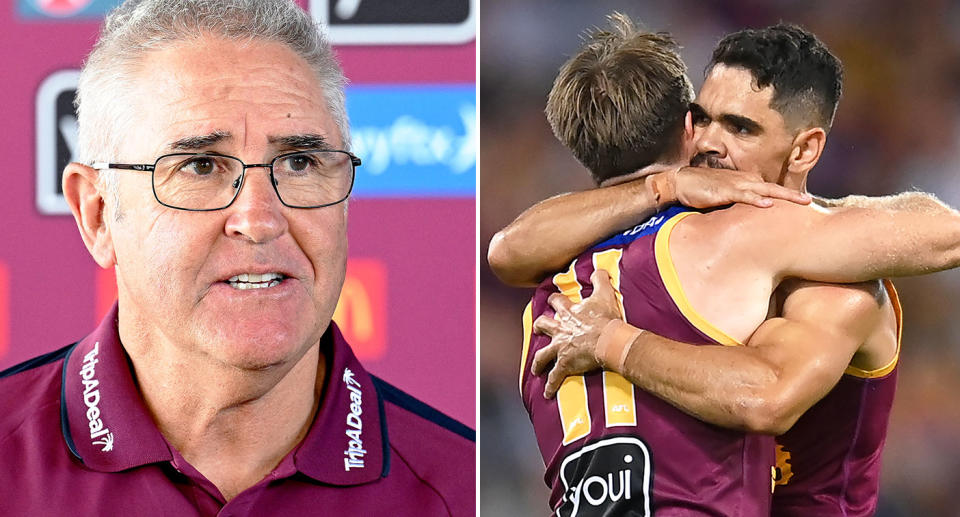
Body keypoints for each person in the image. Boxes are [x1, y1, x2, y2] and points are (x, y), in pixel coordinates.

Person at [0, 1, 474, 515]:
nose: (259, 219)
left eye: (299, 162)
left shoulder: (459, 487)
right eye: (201, 166)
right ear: (96, 213)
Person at [490, 16, 960, 516]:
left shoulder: (834, 277)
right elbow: (505, 248)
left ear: (804, 149)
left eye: (739, 127)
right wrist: (664, 186)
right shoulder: (680, 237)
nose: (709, 142)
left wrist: (611, 341)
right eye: (703, 119)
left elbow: (767, 396)